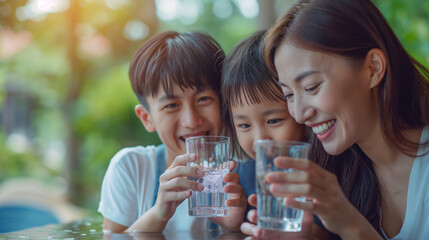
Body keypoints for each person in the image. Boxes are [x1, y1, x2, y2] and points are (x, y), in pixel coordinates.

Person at [242, 0, 429, 239]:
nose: (299, 114)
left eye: (311, 87)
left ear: (373, 68)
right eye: (288, 94)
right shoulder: (341, 172)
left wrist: (351, 225)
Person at [98, 31, 247, 234]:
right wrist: (159, 213)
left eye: (203, 99)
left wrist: (234, 229)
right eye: (172, 105)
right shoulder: (131, 167)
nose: (192, 120)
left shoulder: (245, 172)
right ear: (147, 118)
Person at [222, 30, 334, 239]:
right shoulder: (239, 179)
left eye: (273, 121)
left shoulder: (331, 174)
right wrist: (231, 227)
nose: (259, 140)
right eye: (244, 125)